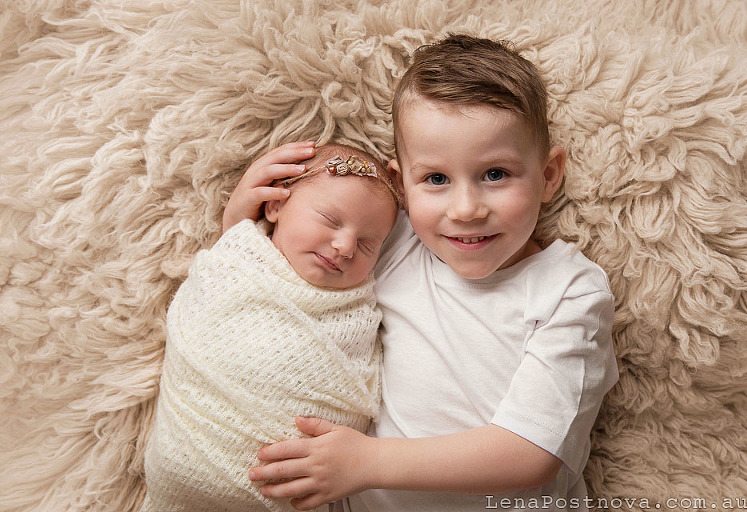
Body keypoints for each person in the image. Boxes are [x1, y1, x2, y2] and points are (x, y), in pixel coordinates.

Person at [238, 35, 620, 512]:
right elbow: (278, 279)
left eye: (496, 174)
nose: (465, 210)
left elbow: (531, 452)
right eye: (436, 179)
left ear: (548, 175)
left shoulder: (569, 289)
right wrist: (241, 218)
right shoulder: (395, 244)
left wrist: (366, 463)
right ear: (401, 185)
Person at [141, 143, 401, 512]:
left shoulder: (359, 307)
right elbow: (214, 287)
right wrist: (234, 222)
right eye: (329, 220)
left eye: (367, 244)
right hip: (184, 457)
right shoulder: (237, 261)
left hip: (296, 487)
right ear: (276, 205)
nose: (344, 246)